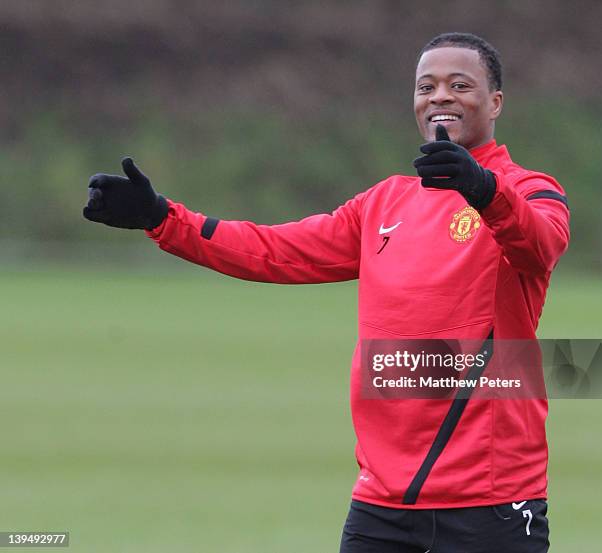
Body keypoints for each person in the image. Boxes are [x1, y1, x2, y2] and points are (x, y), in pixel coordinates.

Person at [83, 32, 569, 553]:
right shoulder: (383, 203)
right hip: (383, 501)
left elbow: (540, 244)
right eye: (426, 86)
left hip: (489, 501)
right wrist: (165, 219)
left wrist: (483, 189)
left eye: (460, 85)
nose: (440, 96)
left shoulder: (528, 189)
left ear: (495, 102)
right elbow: (275, 250)